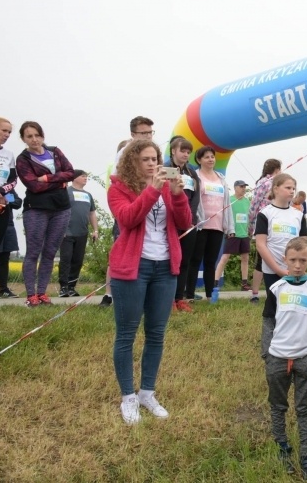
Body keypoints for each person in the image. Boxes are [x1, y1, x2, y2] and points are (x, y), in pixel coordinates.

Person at [108, 139, 191, 424]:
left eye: (155, 158)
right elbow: (128, 219)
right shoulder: (118, 188)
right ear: (132, 161)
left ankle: (147, 392)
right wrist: (153, 190)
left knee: (156, 333)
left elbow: (184, 222)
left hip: (165, 267)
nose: (153, 164)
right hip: (133, 267)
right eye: (145, 159)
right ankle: (128, 397)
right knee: (127, 334)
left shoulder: (168, 187)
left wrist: (178, 194)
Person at [262, 237, 307, 480]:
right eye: (293, 260)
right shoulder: (276, 289)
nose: (298, 265)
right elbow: (268, 321)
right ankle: (282, 447)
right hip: (277, 358)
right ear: (285, 260)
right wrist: (266, 353)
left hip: (305, 359)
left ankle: (306, 455)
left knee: (304, 408)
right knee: (278, 406)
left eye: (302, 260)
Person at [16, 121, 76, 306]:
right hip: (37, 209)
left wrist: (48, 178)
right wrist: (59, 181)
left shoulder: (55, 151)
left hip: (61, 208)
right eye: (29, 136)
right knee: (33, 252)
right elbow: (33, 185)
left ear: (42, 136)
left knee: (50, 252)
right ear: (24, 139)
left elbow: (71, 172)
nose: (34, 139)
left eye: (37, 135)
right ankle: (30, 295)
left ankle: (42, 292)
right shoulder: (23, 159)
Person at [101, 117, 157, 307]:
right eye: (143, 133)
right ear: (133, 134)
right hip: (128, 208)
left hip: (152, 219)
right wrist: (151, 191)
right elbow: (123, 191)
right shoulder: (125, 155)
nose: (148, 136)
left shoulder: (153, 155)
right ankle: (111, 293)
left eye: (150, 132)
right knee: (124, 249)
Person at [185, 146, 234, 301]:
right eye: (206, 157)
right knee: (195, 260)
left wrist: (229, 227)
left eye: (212, 157)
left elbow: (227, 204)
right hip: (200, 226)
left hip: (218, 226)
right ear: (199, 160)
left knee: (211, 262)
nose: (211, 159)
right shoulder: (196, 177)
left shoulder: (221, 179)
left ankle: (209, 296)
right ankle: (190, 295)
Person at [255, 173, 307, 309]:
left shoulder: (298, 215)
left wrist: (299, 267)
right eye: (288, 187)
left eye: (293, 188)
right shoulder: (265, 213)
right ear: (276, 189)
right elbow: (261, 245)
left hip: (295, 270)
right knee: (275, 308)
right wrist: (278, 270)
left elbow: (304, 245)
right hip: (272, 271)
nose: (291, 191)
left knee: (294, 307)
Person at [168, 136, 201, 313]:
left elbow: (195, 196)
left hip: (189, 222)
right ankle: (169, 299)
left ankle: (179, 298)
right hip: (171, 222)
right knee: (170, 261)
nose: (186, 155)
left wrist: (189, 218)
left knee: (184, 261)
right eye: (183, 151)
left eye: (188, 152)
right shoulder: (166, 169)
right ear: (173, 151)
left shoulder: (192, 172)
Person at [58, 169, 99, 297]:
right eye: (83, 176)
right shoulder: (66, 192)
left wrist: (95, 230)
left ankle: (71, 287)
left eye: (86, 176)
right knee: (66, 259)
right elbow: (59, 211)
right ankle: (63, 287)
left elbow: (92, 213)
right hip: (67, 232)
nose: (85, 178)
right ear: (74, 178)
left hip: (82, 232)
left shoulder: (88, 195)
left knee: (78, 260)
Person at [247, 158, 281, 303]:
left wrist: (251, 225)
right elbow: (255, 205)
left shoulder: (261, 183)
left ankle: (256, 294)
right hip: (272, 224)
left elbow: (253, 206)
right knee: (272, 258)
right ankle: (270, 293)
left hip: (263, 224)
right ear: (277, 169)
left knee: (261, 260)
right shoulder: (273, 183)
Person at [213, 180, 251, 292]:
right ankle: (215, 282)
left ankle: (244, 284)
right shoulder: (230, 200)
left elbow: (248, 216)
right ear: (235, 188)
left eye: (245, 187)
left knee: (245, 258)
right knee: (225, 257)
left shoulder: (247, 201)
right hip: (232, 232)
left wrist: (249, 230)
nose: (243, 188)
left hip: (244, 233)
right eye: (241, 186)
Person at [0, 184, 22, 298]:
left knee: (4, 258)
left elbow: (18, 202)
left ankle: (3, 289)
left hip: (7, 225)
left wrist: (4, 197)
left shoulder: (7, 188)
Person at [0, 118, 18, 252]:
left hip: (2, 204)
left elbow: (13, 179)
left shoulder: (9, 155)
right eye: (4, 130)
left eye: (9, 132)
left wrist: (2, 193)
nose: (7, 134)